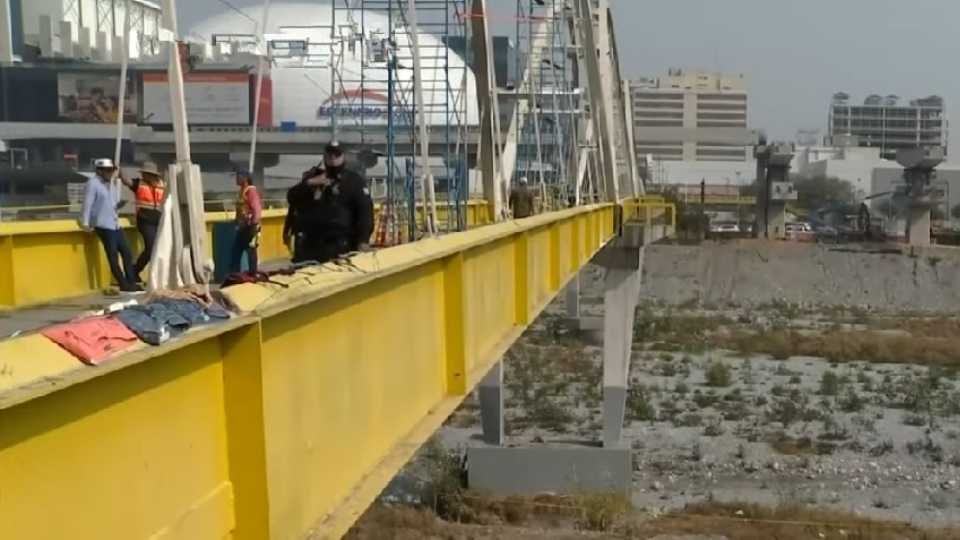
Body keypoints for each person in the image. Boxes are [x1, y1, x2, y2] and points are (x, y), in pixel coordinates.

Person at [285, 141, 374, 263]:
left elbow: (365, 213)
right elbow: (291, 197)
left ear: (343, 156)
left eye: (337, 154)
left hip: (339, 245)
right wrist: (310, 183)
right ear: (324, 156)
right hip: (309, 246)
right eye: (329, 154)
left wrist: (363, 241)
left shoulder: (353, 181)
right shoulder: (312, 178)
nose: (333, 158)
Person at [80, 158, 141, 293]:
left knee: (127, 252)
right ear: (99, 171)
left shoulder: (111, 184)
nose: (110, 173)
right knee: (113, 255)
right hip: (103, 225)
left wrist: (119, 205)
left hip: (114, 224)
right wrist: (85, 223)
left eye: (111, 170)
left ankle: (131, 281)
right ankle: (123, 284)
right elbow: (87, 204)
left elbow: (111, 203)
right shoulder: (92, 184)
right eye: (107, 170)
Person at [119, 161, 165, 280]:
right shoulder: (139, 183)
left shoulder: (163, 185)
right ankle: (135, 271)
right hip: (145, 221)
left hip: (160, 221)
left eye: (146, 174)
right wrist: (120, 171)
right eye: (143, 173)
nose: (143, 175)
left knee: (159, 249)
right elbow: (127, 181)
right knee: (151, 247)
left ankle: (142, 273)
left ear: (152, 175)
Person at [229, 170, 263, 273]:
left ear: (245, 178)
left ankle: (253, 273)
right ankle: (235, 273)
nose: (236, 179)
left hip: (250, 226)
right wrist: (237, 222)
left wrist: (254, 224)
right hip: (243, 226)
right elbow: (240, 209)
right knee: (237, 250)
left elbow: (256, 209)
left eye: (238, 176)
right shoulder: (242, 191)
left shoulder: (251, 191)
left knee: (250, 250)